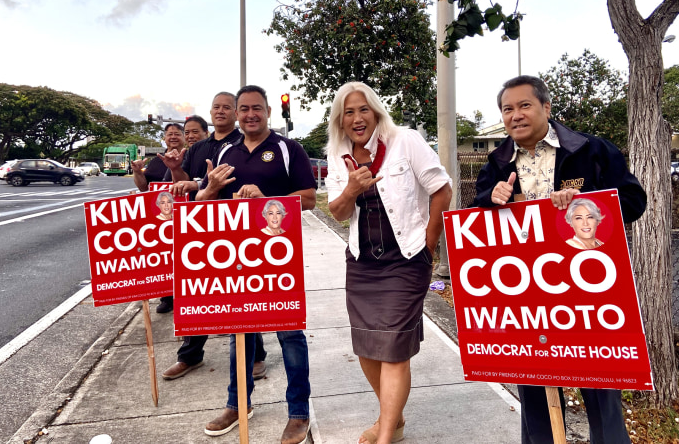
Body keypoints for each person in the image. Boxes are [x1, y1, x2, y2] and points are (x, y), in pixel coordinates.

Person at [472, 75, 647, 444]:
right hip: (527, 294)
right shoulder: (497, 160)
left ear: (546, 108)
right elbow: (477, 221)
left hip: (587, 293)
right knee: (535, 395)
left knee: (602, 393)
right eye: (507, 109)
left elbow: (633, 202)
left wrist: (584, 201)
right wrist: (491, 197)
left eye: (524, 106)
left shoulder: (591, 149)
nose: (515, 115)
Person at [325, 82, 452, 444]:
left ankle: (384, 437)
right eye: (348, 112)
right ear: (340, 120)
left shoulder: (405, 141)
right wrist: (350, 189)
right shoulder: (337, 154)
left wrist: (430, 240)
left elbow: (442, 188)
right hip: (363, 261)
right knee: (367, 346)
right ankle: (392, 421)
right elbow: (337, 212)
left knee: (394, 348)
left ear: (376, 111)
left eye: (363, 109)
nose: (357, 118)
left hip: (406, 257)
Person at [197, 85, 316, 444]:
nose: (250, 114)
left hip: (279, 258)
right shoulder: (225, 152)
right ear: (236, 114)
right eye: (243, 109)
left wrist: (269, 200)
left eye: (257, 109)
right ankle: (237, 404)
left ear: (268, 112)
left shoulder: (286, 148)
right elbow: (202, 204)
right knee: (240, 332)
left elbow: (309, 198)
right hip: (235, 258)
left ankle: (298, 412)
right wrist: (209, 190)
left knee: (289, 335)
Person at [159, 93, 268, 382]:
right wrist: (176, 170)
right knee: (198, 291)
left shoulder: (241, 143)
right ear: (210, 112)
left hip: (238, 228)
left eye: (226, 107)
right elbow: (187, 185)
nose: (221, 111)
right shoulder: (199, 148)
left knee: (243, 294)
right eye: (215, 107)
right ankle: (190, 355)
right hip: (202, 228)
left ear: (235, 113)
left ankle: (256, 354)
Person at [132, 117, 208, 313]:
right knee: (165, 257)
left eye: (178, 134)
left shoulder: (195, 156)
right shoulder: (157, 161)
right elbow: (144, 187)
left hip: (192, 217)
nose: (174, 137)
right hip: (165, 218)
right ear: (164, 138)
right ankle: (167, 296)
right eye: (170, 134)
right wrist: (137, 172)